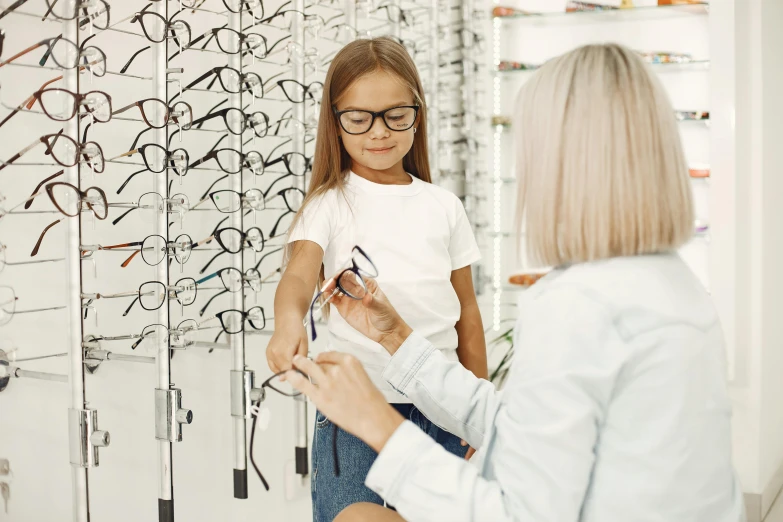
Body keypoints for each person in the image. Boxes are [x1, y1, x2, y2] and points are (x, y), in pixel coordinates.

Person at [284, 43, 747, 522]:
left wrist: (378, 424)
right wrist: (394, 335)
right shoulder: (680, 287)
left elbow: (520, 513)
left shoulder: (576, 305)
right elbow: (530, 428)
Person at [266, 36, 488, 522]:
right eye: (359, 118)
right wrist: (288, 324)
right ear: (336, 122)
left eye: (395, 115)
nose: (379, 132)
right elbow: (299, 276)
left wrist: (477, 416)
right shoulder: (329, 203)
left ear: (417, 113)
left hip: (444, 407)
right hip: (356, 409)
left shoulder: (443, 206)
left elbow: (466, 310)